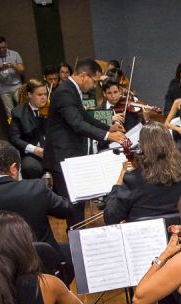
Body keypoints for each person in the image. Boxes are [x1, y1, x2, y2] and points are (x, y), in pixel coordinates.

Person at [43, 58, 127, 229]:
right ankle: (76, 240)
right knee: (73, 204)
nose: (94, 86)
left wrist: (109, 128)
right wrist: (107, 136)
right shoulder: (65, 92)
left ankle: (78, 234)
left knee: (78, 203)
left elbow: (85, 117)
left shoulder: (72, 90)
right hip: (62, 156)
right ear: (83, 75)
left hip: (71, 154)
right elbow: (77, 124)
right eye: (94, 81)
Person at [0, 141, 73, 272]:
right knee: (72, 252)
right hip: (42, 265)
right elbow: (66, 210)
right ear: (13, 168)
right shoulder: (35, 188)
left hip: (3, 271)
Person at [103, 122, 181, 224]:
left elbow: (110, 217)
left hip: (144, 237)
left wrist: (122, 175)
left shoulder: (133, 180)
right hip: (177, 235)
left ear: (142, 148)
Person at [8, 79, 48, 179]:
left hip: (54, 151)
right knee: (29, 167)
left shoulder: (52, 109)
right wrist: (34, 149)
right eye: (40, 95)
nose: (44, 98)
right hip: (33, 154)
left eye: (45, 94)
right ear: (30, 95)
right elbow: (14, 139)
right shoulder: (18, 113)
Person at [0, 36, 25, 115]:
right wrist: (0, 69)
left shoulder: (14, 54)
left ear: (6, 45)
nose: (1, 49)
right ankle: (14, 127)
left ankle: (25, 126)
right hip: (3, 89)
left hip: (17, 86)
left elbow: (22, 71)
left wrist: (12, 66)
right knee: (9, 112)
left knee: (23, 108)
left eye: (3, 47)